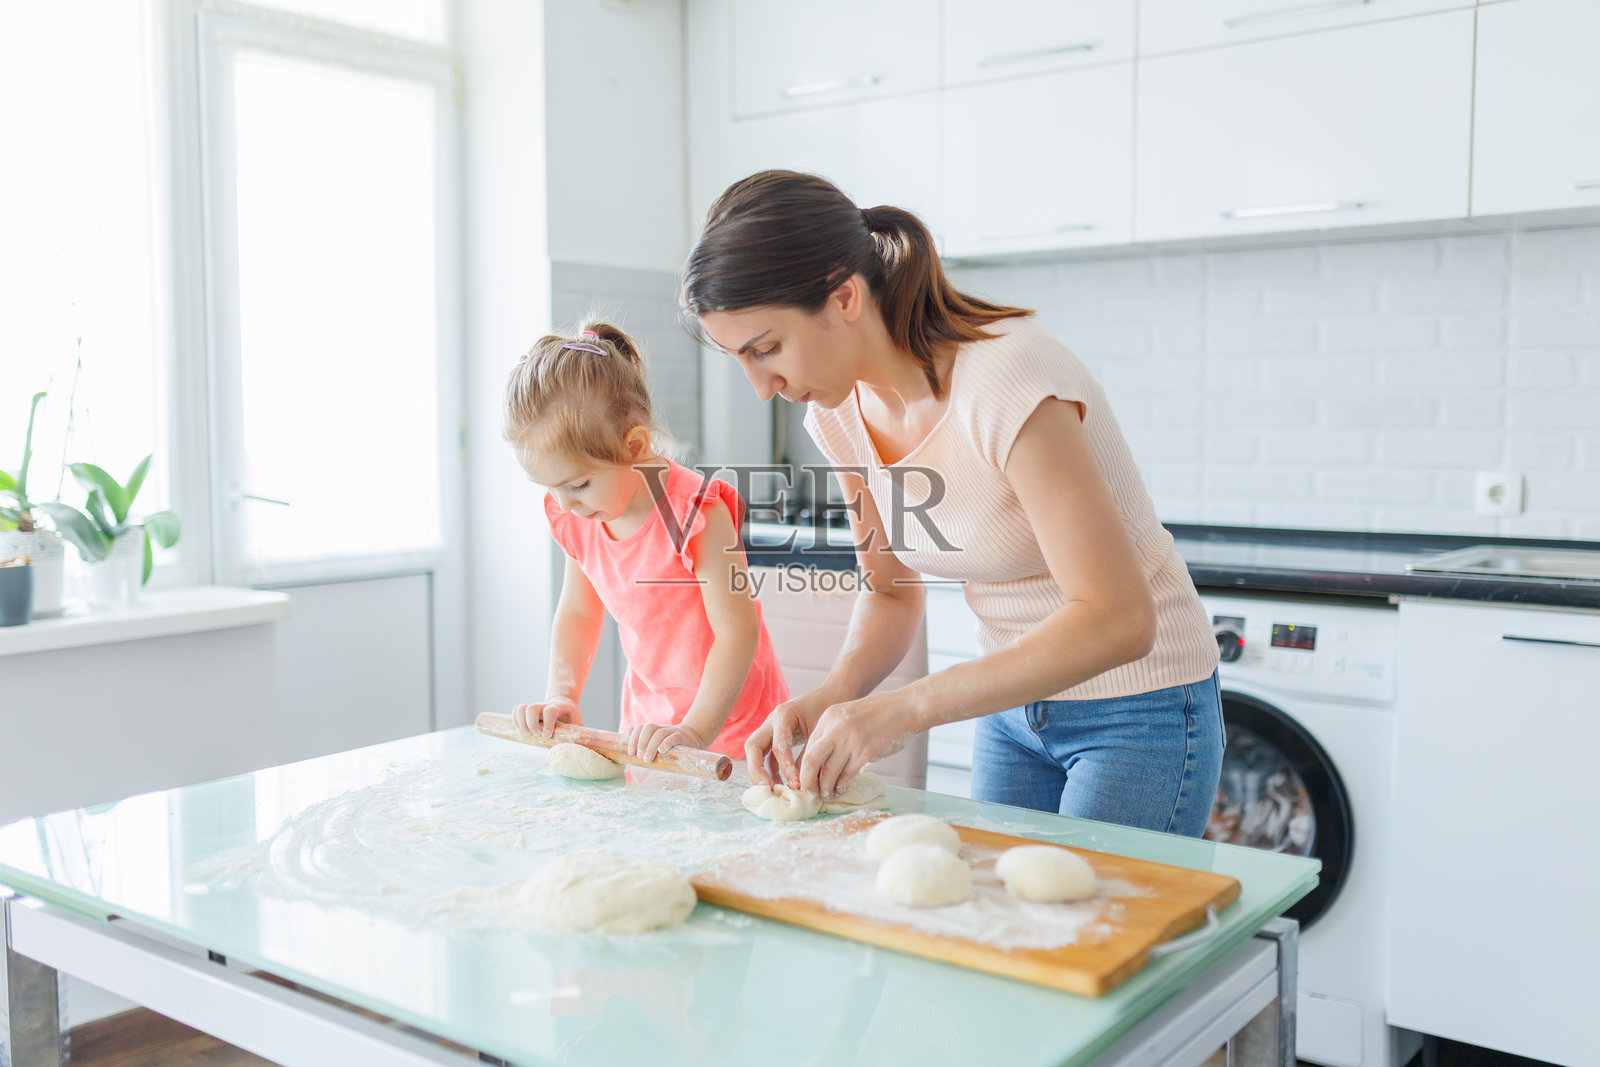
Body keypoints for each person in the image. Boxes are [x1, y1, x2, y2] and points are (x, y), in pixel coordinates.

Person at [681, 171, 1223, 837]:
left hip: (1141, 706)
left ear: (845, 296)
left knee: (1088, 935)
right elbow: (888, 592)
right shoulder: (837, 412)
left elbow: (1118, 619)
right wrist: (829, 697)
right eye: (742, 359)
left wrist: (908, 707)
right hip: (1012, 711)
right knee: (992, 927)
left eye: (765, 349)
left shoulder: (1005, 380)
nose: (762, 386)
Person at [503, 320, 789, 760]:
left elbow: (737, 633)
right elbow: (579, 612)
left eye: (577, 484)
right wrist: (563, 694)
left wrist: (695, 731)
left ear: (635, 446)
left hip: (736, 733)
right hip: (647, 728)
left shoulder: (698, 512)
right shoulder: (579, 517)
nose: (564, 504)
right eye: (550, 488)